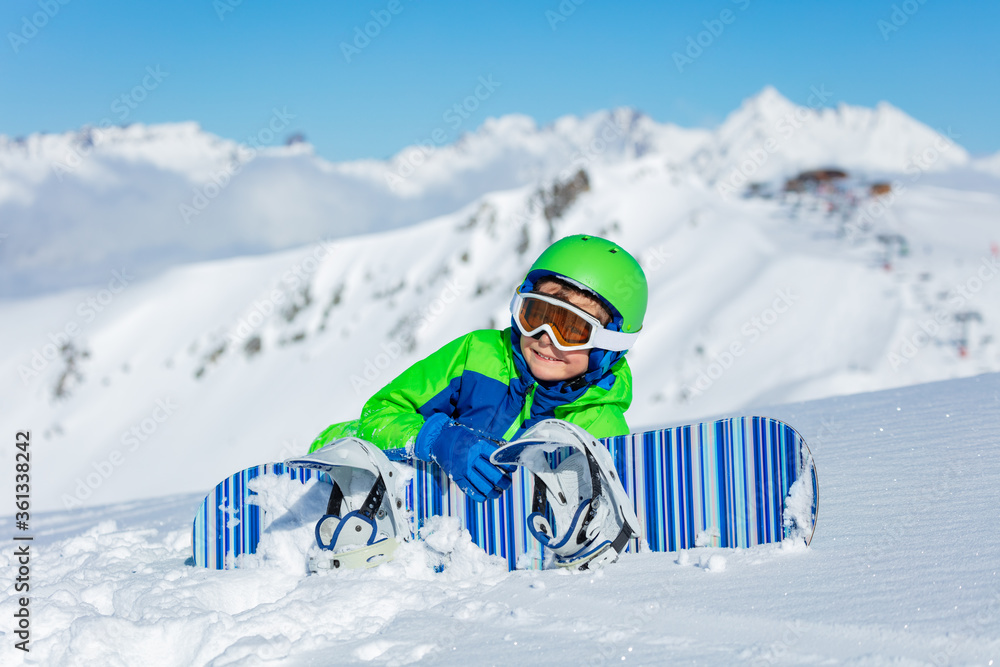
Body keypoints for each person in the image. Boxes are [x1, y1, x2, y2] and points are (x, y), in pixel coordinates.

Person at [307, 234, 648, 503]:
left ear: (609, 346)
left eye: (572, 329)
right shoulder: (477, 356)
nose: (546, 338)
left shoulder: (600, 426)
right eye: (536, 316)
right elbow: (378, 416)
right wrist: (438, 438)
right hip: (407, 511)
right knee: (342, 438)